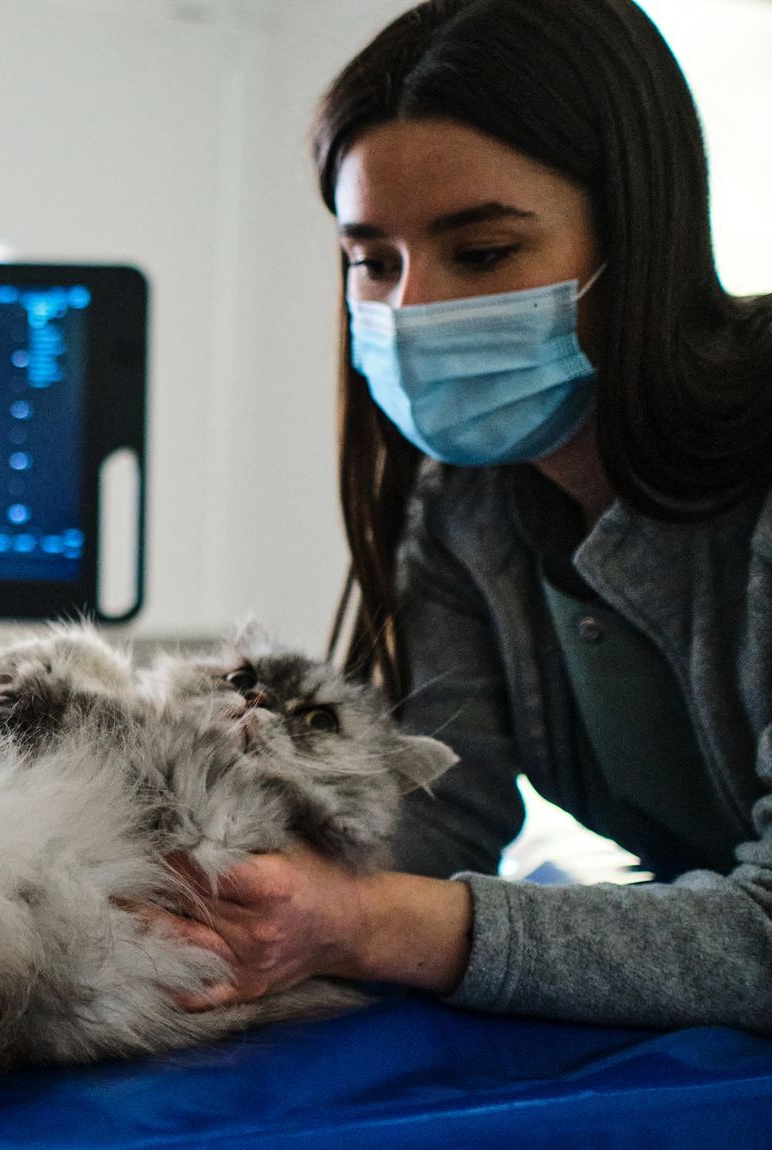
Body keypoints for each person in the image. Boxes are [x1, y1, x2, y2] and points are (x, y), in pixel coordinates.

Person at [169, 0, 772, 1035]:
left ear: (643, 233)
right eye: (372, 260)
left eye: (482, 253)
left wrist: (369, 922)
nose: (413, 311)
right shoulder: (473, 503)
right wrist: (229, 879)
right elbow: (441, 809)